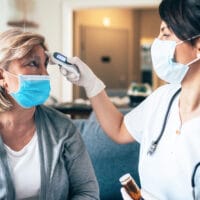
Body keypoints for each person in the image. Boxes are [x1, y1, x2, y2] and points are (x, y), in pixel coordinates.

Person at [65, 0, 200, 199]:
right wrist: (91, 83)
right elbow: (119, 129)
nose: (158, 43)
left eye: (165, 34)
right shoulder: (163, 99)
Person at [0, 28, 99, 200]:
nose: (45, 74)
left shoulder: (63, 128)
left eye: (45, 65)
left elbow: (87, 192)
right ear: (2, 76)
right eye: (33, 63)